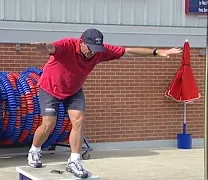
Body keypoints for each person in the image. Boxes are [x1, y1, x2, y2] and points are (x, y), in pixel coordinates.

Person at [27, 28, 182, 178]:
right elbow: (53, 48)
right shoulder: (68, 45)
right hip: (50, 88)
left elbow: (128, 51)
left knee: (79, 120)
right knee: (49, 124)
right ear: (81, 42)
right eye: (90, 48)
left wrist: (158, 52)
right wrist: (46, 48)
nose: (92, 52)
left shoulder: (100, 52)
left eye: (96, 49)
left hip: (73, 90)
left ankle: (74, 160)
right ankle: (35, 150)